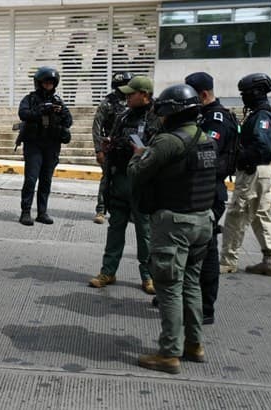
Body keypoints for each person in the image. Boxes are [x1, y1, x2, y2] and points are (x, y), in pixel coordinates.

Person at [129, 84, 216, 375]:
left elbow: (137, 173)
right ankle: (195, 344)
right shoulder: (205, 138)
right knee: (191, 284)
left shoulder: (169, 141)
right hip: (202, 221)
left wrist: (139, 153)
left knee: (169, 288)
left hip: (175, 222)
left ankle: (169, 353)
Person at [88, 76, 159, 295]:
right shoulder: (123, 116)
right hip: (119, 180)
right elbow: (113, 138)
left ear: (144, 95)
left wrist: (138, 149)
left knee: (145, 233)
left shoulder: (158, 118)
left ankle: (149, 275)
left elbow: (158, 148)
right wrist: (112, 146)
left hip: (142, 182)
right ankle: (108, 271)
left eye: (131, 94)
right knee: (115, 228)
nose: (127, 97)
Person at [185, 72, 239, 326]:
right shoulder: (205, 116)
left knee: (206, 250)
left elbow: (207, 154)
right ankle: (186, 298)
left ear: (203, 95)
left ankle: (205, 307)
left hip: (209, 189)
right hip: (197, 188)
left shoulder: (216, 118)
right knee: (189, 247)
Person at [220, 73, 271, 277]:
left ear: (256, 92)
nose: (243, 97)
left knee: (236, 215)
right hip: (263, 171)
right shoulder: (264, 113)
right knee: (260, 215)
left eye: (245, 93)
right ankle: (270, 259)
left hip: (253, 171)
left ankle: (228, 260)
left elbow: (261, 146)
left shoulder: (262, 115)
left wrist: (242, 158)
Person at [18, 66, 73, 226]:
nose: (48, 85)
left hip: (52, 145)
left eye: (51, 83)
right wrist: (40, 110)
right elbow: (23, 113)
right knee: (31, 179)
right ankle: (25, 212)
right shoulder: (30, 99)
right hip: (34, 144)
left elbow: (69, 121)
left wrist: (61, 112)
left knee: (46, 180)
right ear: (39, 83)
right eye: (45, 82)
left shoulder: (58, 100)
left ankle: (42, 212)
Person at [91, 71, 132, 225]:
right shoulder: (107, 103)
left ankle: (130, 211)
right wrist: (98, 150)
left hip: (129, 147)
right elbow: (96, 127)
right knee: (107, 178)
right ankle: (101, 210)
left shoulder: (133, 101)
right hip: (110, 146)